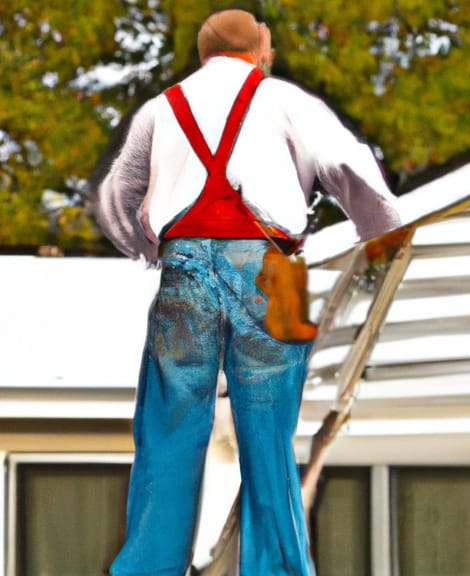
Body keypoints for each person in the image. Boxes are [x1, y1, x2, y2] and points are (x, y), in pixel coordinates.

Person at [95, 9, 402, 575]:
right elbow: (347, 163)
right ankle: (277, 569)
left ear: (202, 48)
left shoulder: (161, 109)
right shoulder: (287, 101)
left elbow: (119, 195)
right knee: (268, 434)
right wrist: (383, 238)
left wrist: (148, 249)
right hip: (272, 270)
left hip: (184, 270)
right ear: (261, 47)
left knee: (169, 424)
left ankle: (149, 567)